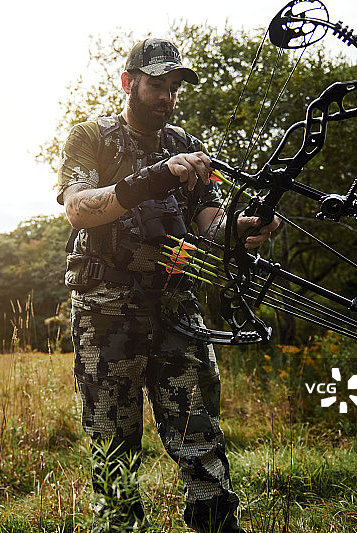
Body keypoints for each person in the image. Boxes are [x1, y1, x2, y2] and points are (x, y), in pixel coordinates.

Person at [56, 37, 279, 532]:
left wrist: (242, 229)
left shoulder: (183, 144)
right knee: (113, 443)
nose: (167, 97)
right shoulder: (91, 136)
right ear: (128, 83)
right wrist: (151, 180)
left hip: (177, 307)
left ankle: (216, 524)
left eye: (174, 88)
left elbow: (208, 221)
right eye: (157, 85)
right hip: (107, 313)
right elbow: (77, 208)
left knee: (199, 431)